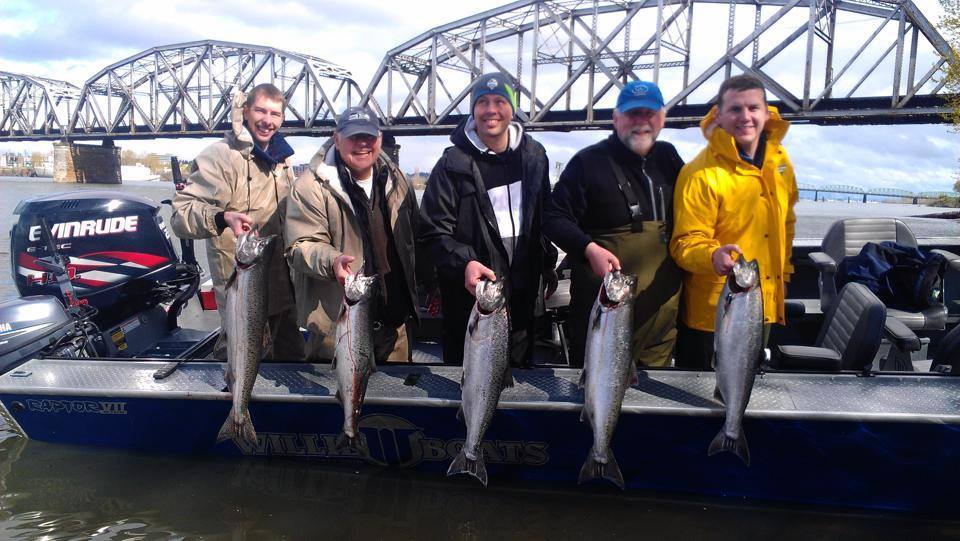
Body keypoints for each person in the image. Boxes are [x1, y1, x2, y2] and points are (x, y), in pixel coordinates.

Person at [419, 73, 558, 367]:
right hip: (472, 305)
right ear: (473, 109)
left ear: (512, 108)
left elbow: (542, 218)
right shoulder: (450, 165)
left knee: (517, 390)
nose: (490, 109)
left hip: (523, 302)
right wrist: (465, 263)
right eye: (482, 102)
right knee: (472, 388)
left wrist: (547, 263)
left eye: (499, 101)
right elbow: (432, 233)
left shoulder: (535, 156)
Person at [545, 80, 684, 367]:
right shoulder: (587, 163)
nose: (641, 122)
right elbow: (553, 217)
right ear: (616, 118)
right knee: (597, 398)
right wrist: (588, 248)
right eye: (633, 114)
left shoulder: (670, 159)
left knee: (651, 402)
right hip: (603, 317)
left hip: (659, 322)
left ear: (662, 118)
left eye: (649, 114)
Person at [670, 74, 798, 369]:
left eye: (753, 108)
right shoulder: (700, 173)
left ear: (766, 113)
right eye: (735, 109)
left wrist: (784, 278)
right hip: (715, 316)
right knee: (702, 406)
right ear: (719, 115)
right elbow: (683, 245)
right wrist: (712, 255)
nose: (745, 117)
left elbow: (785, 227)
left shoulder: (780, 164)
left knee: (744, 398)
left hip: (763, 308)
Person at [171, 83, 304, 360]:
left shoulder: (283, 160)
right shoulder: (220, 156)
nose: (267, 120)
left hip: (284, 289)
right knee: (244, 369)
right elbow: (180, 216)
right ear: (245, 111)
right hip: (242, 290)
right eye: (260, 110)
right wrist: (221, 218)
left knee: (292, 366)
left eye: (275, 114)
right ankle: (235, 403)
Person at [285, 106, 421, 362]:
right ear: (336, 138)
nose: (362, 144)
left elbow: (416, 237)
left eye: (368, 136)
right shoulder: (310, 186)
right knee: (342, 401)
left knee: (395, 401)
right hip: (337, 331)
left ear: (379, 138)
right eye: (353, 136)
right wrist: (331, 261)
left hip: (395, 331)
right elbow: (300, 245)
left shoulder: (397, 178)